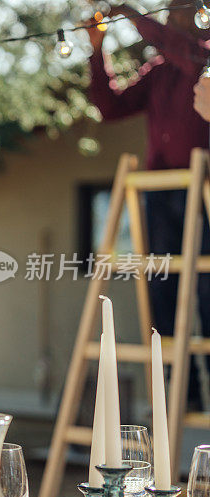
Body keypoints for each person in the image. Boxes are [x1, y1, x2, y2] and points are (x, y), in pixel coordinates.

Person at [87, 2, 210, 408]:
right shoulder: (159, 71)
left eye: (180, 11)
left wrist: (130, 12)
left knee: (208, 290)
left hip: (203, 189)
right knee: (163, 288)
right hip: (160, 192)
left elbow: (175, 46)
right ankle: (182, 388)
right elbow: (110, 107)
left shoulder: (203, 57)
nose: (171, 17)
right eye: (170, 11)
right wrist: (96, 49)